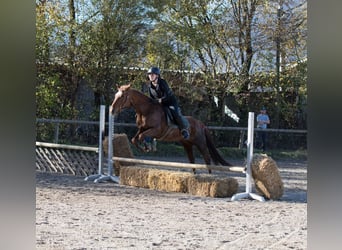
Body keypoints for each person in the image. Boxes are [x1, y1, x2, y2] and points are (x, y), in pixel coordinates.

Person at [146, 67, 190, 139]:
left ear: (157, 75)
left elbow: (167, 95)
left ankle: (184, 130)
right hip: (159, 104)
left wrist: (160, 100)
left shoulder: (162, 82)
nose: (150, 76)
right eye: (149, 74)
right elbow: (151, 98)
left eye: (152, 74)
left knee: (175, 112)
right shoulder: (150, 86)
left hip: (170, 102)